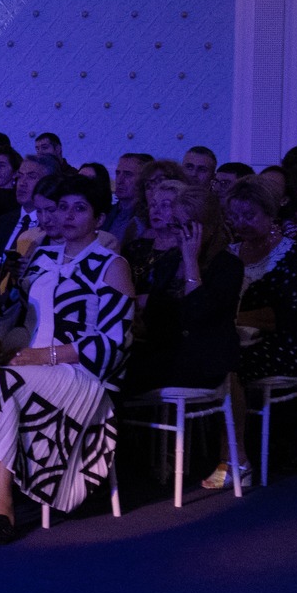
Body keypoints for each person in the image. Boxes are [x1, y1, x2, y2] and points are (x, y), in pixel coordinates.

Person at [0, 172, 134, 537]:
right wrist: (1, 338)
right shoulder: (42, 255)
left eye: (79, 209)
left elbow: (115, 343)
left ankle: (0, 501)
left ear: (99, 218)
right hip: (30, 367)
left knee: (2, 382)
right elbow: (15, 309)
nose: (67, 215)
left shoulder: (111, 265)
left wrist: (45, 356)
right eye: (63, 207)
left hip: (82, 373)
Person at [125, 183, 244, 485]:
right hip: (168, 349)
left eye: (184, 226)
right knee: (110, 367)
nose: (176, 232)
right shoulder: (169, 262)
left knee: (121, 375)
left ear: (205, 227)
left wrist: (191, 262)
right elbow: (157, 315)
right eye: (175, 224)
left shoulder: (227, 265)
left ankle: (125, 469)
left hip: (204, 360)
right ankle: (125, 464)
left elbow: (199, 314)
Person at [227, 176, 297, 386]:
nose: (241, 223)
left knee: (221, 359)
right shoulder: (230, 252)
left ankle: (231, 409)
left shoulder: (291, 254)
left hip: (279, 345)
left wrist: (230, 318)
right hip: (236, 338)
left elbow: (289, 317)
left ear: (269, 213)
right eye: (235, 216)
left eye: (249, 215)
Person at [104, 153, 150, 243]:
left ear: (143, 180)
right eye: (118, 173)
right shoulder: (106, 214)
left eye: (128, 174)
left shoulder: (149, 219)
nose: (119, 180)